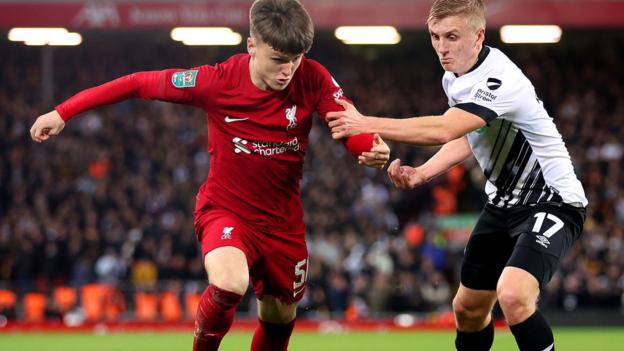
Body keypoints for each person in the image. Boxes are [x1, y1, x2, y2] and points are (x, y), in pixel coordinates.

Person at [29, 0, 390, 350]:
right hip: (225, 210)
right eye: (279, 60)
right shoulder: (216, 81)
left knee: (280, 317)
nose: (288, 70)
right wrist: (63, 112)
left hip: (283, 223)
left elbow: (345, 120)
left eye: (296, 60)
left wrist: (367, 149)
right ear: (252, 45)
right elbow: (139, 83)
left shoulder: (312, 76)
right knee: (230, 282)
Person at [326, 0, 587, 350]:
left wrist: (365, 122)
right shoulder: (455, 78)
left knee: (513, 295)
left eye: (452, 36)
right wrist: (422, 173)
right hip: (503, 205)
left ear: (478, 36)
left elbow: (445, 129)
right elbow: (471, 134)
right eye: (435, 37)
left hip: (552, 201)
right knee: (467, 309)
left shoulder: (499, 77)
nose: (442, 48)